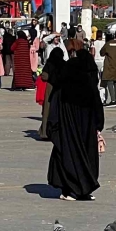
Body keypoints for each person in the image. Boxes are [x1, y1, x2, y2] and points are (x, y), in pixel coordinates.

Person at [46, 42, 104, 201]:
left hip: (68, 131)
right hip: (87, 130)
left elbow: (53, 115)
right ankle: (81, 190)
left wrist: (53, 131)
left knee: (68, 157)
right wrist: (98, 127)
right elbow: (98, 108)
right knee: (86, 158)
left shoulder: (61, 89)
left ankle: (71, 190)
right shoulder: (88, 87)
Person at [38, 46, 65, 139]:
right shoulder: (64, 63)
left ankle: (45, 132)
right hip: (62, 88)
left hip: (50, 87)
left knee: (47, 110)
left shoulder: (49, 64)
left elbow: (44, 76)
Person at [99, 32, 116, 108]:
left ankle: (113, 100)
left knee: (109, 82)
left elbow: (101, 53)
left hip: (111, 66)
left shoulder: (107, 44)